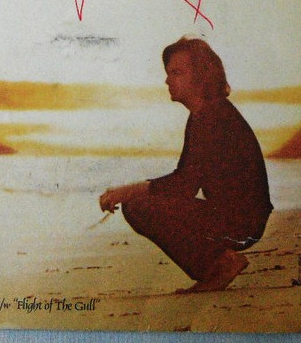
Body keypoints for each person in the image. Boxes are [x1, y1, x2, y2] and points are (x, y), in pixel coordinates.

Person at [99, 37, 273, 293]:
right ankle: (217, 265)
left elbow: (185, 185)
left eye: (177, 73)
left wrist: (128, 191)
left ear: (202, 77)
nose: (167, 81)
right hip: (240, 217)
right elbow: (186, 179)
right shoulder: (205, 114)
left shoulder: (213, 117)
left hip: (241, 222)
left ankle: (220, 265)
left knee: (139, 206)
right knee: (139, 203)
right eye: (168, 73)